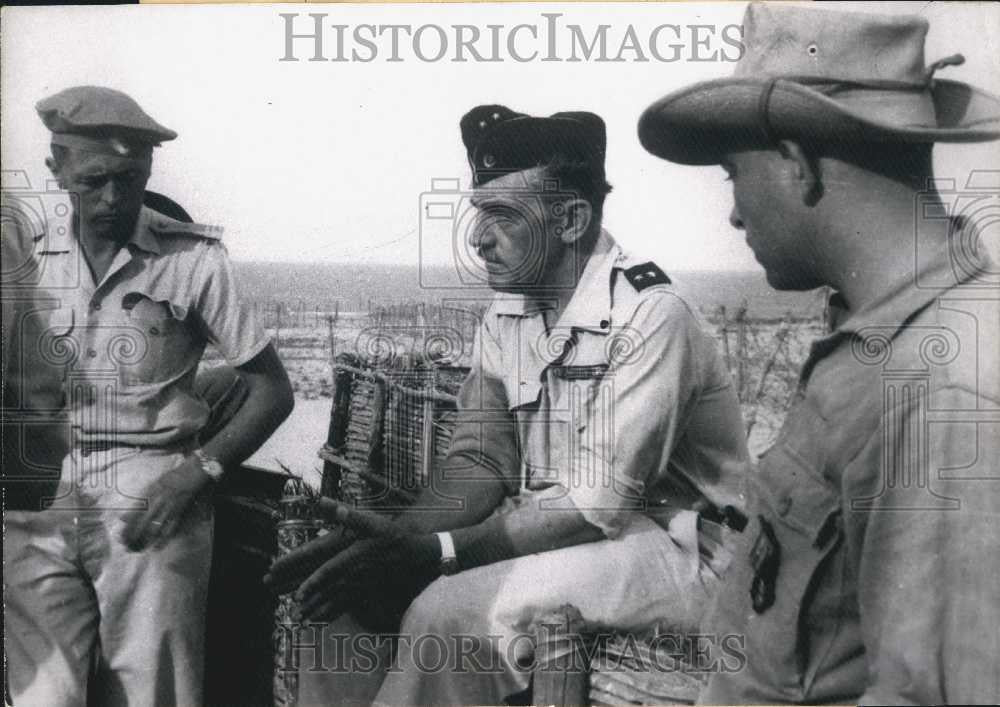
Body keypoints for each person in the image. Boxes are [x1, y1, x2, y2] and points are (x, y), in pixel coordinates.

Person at [265, 105, 750, 705]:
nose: (476, 237)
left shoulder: (651, 316)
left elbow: (593, 508)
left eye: (500, 216)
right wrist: (390, 544)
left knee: (450, 614)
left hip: (680, 549)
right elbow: (480, 457)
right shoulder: (510, 310)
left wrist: (438, 552)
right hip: (568, 537)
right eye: (478, 214)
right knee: (345, 599)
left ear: (571, 220)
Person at [638, 3, 1000, 704]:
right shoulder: (885, 343)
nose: (735, 211)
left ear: (794, 164)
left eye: (731, 175)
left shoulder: (941, 383)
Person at [2, 85, 295, 706]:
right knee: (41, 697)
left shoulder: (194, 261)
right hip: (37, 491)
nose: (113, 198)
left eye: (130, 178)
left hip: (154, 493)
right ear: (57, 168)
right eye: (94, 179)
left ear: (150, 171)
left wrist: (198, 473)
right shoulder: (20, 255)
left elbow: (271, 390)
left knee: (152, 693)